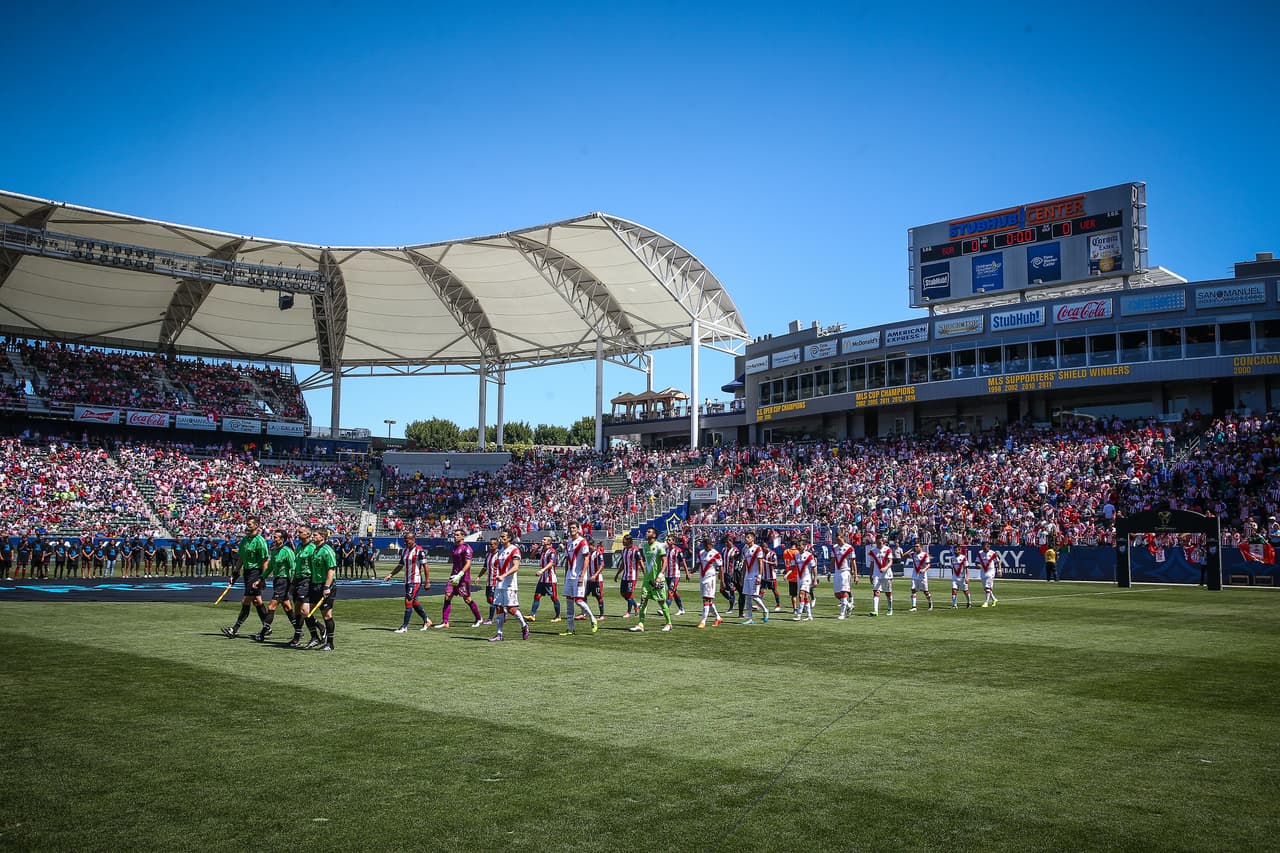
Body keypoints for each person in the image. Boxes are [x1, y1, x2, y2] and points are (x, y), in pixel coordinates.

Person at [221, 517, 272, 639]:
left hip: (256, 572)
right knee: (257, 601)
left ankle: (234, 629)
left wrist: (263, 578)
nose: (247, 526)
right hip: (247, 572)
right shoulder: (245, 540)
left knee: (246, 601)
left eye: (249, 524)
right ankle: (267, 627)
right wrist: (235, 573)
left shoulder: (260, 541)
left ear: (256, 526)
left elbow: (265, 561)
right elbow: (241, 558)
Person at [251, 529, 296, 642]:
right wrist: (261, 579)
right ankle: (300, 630)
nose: (273, 539)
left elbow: (293, 568)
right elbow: (270, 567)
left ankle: (262, 634)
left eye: (276, 537)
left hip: (284, 581)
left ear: (282, 539)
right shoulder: (275, 551)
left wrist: (292, 583)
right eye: (273, 537)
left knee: (271, 607)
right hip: (278, 581)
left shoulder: (287, 551)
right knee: (287, 607)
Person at [383, 531, 433, 632]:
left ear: (413, 539)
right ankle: (426, 620)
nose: (406, 543)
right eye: (405, 541)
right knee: (414, 602)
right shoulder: (405, 551)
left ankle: (404, 627)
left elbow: (426, 566)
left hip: (415, 580)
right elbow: (400, 565)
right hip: (408, 580)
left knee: (408, 601)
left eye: (407, 541)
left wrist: (427, 581)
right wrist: (391, 574)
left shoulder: (419, 550)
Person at [488, 529, 530, 642]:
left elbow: (516, 567)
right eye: (501, 536)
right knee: (499, 607)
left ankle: (524, 625)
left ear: (509, 538)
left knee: (511, 609)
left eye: (504, 537)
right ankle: (499, 633)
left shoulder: (514, 550)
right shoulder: (501, 550)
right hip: (499, 584)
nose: (501, 538)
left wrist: (504, 575)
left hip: (510, 584)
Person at [629, 526, 673, 633]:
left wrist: (660, 576)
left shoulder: (659, 546)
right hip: (647, 580)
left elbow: (665, 561)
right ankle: (641, 624)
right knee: (643, 601)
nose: (646, 533)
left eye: (649, 532)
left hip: (657, 579)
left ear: (654, 535)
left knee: (661, 602)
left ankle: (669, 623)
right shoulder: (644, 546)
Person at [439, 529, 484, 628]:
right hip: (453, 576)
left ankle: (479, 618)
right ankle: (445, 622)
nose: (455, 536)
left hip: (463, 578)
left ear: (462, 536)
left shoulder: (466, 548)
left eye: (457, 535)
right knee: (447, 596)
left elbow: (468, 563)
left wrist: (460, 575)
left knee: (467, 599)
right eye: (455, 535)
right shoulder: (455, 547)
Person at [561, 523, 598, 636]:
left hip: (579, 576)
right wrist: (566, 575)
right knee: (569, 602)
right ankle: (570, 628)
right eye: (570, 528)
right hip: (569, 576)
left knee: (578, 600)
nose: (572, 530)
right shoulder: (568, 543)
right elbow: (568, 560)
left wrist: (582, 575)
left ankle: (592, 618)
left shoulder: (582, 542)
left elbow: (586, 558)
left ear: (578, 529)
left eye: (574, 528)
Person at [306, 527, 339, 650]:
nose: (313, 537)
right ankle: (316, 636)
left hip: (325, 586)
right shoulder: (315, 550)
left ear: (322, 537)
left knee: (327, 615)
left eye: (315, 535)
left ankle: (330, 643)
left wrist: (326, 586)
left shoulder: (327, 550)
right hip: (314, 585)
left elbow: (331, 569)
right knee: (306, 612)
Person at [288, 524, 315, 648]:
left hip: (307, 580)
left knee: (304, 610)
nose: (298, 534)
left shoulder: (312, 548)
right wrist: (293, 582)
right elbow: (296, 566)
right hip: (298, 580)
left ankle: (315, 636)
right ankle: (297, 637)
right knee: (298, 610)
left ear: (308, 534)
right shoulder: (298, 547)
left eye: (300, 532)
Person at [738, 530, 770, 624]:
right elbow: (744, 563)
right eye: (745, 537)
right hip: (747, 576)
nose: (746, 539)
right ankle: (750, 618)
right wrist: (742, 576)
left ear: (753, 538)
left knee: (754, 597)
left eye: (748, 537)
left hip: (755, 576)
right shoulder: (745, 549)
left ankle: (765, 610)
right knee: (747, 598)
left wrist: (760, 576)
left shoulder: (758, 549)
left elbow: (760, 563)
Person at [529, 535, 562, 623]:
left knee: (554, 597)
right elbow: (531, 557)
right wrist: (536, 548)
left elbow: (551, 563)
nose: (542, 540)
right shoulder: (543, 551)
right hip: (542, 579)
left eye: (544, 540)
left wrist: (542, 570)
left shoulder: (552, 551)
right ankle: (532, 615)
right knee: (537, 596)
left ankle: (558, 616)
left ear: (549, 542)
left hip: (550, 579)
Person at [695, 536, 724, 628]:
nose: (707, 546)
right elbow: (698, 564)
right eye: (705, 544)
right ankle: (718, 618)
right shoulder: (701, 553)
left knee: (706, 600)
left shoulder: (716, 554)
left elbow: (720, 567)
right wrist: (690, 572)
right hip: (702, 578)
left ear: (712, 544)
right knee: (708, 600)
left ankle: (703, 621)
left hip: (710, 579)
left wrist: (722, 581)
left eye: (708, 544)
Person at [831, 532, 858, 619]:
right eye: (836, 540)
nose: (838, 541)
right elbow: (833, 560)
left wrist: (855, 575)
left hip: (845, 571)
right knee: (837, 594)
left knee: (843, 592)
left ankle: (842, 614)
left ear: (843, 538)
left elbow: (853, 562)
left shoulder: (849, 548)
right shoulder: (834, 548)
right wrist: (829, 571)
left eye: (839, 539)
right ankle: (849, 605)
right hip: (837, 572)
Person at [614, 533, 641, 618]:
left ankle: (628, 612)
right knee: (623, 593)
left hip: (632, 577)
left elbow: (640, 563)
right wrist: (617, 574)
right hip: (625, 576)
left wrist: (645, 574)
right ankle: (636, 605)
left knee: (629, 594)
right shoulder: (624, 550)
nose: (622, 541)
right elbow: (623, 564)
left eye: (624, 540)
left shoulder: (635, 550)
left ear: (629, 541)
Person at [868, 535, 894, 617]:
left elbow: (890, 561)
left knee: (888, 593)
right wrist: (870, 574)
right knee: (876, 591)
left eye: (880, 542)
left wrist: (885, 568)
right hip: (876, 574)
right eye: (877, 542)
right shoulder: (873, 551)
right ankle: (875, 611)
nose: (879, 543)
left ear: (883, 541)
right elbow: (872, 564)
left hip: (887, 574)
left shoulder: (887, 550)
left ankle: (890, 609)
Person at [665, 535, 689, 616]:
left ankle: (665, 609)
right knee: (674, 592)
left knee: (670, 591)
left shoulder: (678, 551)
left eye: (669, 540)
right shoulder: (666, 550)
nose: (667, 541)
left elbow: (683, 562)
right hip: (668, 574)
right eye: (667, 540)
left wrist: (687, 573)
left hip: (675, 575)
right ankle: (681, 609)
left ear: (673, 541)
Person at [794, 539, 817, 621]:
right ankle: (809, 615)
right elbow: (793, 567)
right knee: (805, 597)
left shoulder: (809, 555)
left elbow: (814, 567)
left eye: (800, 545)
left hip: (807, 578)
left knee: (801, 595)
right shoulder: (796, 556)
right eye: (798, 546)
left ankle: (799, 615)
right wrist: (787, 574)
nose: (799, 547)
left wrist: (815, 579)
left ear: (804, 546)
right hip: (799, 578)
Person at [479, 537, 501, 625]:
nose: (490, 546)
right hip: (489, 581)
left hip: (496, 581)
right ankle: (503, 611)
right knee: (489, 599)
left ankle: (490, 619)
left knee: (492, 600)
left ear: (496, 545)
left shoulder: (500, 554)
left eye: (492, 544)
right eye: (490, 544)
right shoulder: (488, 555)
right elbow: (485, 567)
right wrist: (478, 576)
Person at [908, 543, 934, 612]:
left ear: (921, 547)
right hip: (914, 575)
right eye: (915, 546)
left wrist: (924, 569)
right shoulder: (913, 554)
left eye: (917, 546)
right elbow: (903, 555)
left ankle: (930, 603)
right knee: (913, 590)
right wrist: (910, 550)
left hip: (922, 575)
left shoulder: (925, 555)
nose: (915, 547)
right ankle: (914, 606)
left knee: (925, 591)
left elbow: (928, 565)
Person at [977, 541, 1000, 608]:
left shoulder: (993, 553)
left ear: (988, 546)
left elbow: (998, 562)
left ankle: (986, 602)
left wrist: (999, 570)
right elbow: (977, 562)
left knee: (987, 587)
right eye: (983, 547)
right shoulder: (980, 553)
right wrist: (978, 566)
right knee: (986, 588)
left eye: (986, 547)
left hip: (991, 572)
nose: (984, 549)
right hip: (983, 571)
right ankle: (994, 599)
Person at [588, 542, 607, 619]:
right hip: (588, 579)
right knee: (583, 596)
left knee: (598, 596)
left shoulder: (598, 553)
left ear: (592, 545)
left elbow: (602, 565)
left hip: (597, 579)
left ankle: (602, 615)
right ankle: (583, 613)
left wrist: (595, 575)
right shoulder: (587, 554)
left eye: (588, 545)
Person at [951, 544, 973, 609]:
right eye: (954, 550)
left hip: (962, 578)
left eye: (956, 550)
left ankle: (969, 602)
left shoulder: (963, 558)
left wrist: (967, 577)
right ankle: (954, 605)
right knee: (954, 590)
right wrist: (953, 576)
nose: (955, 552)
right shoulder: (952, 558)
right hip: (955, 578)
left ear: (959, 550)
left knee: (965, 591)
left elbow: (967, 568)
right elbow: (952, 568)